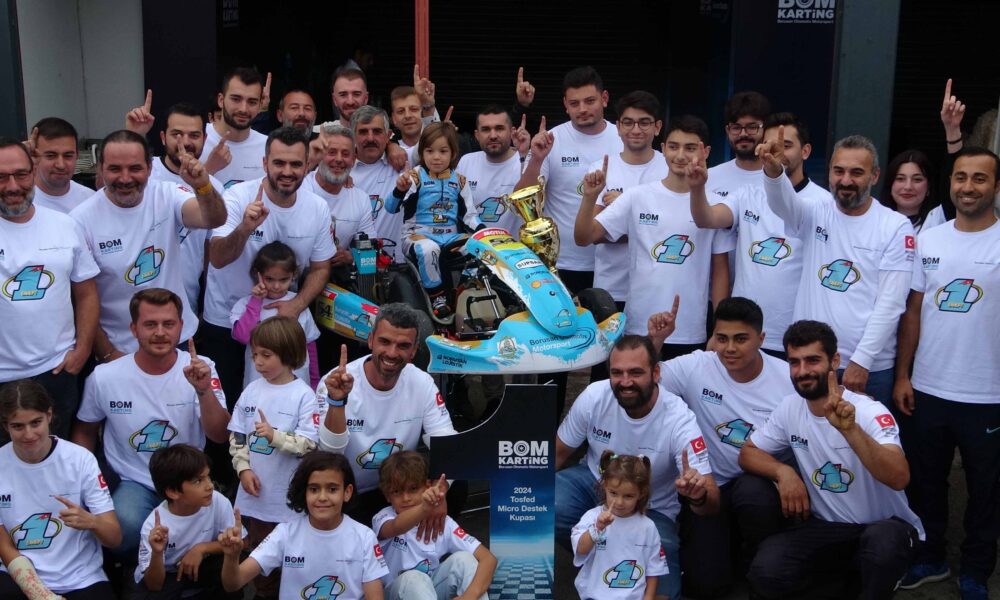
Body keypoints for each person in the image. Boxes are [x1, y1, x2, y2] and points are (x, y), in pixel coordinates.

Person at [739, 320, 922, 599]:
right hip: (827, 528)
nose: (802, 371)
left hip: (884, 526)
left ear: (834, 361)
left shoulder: (869, 411)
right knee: (767, 569)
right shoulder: (790, 408)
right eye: (794, 362)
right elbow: (748, 453)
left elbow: (899, 477)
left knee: (882, 546)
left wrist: (850, 429)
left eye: (813, 360)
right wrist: (784, 473)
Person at [894, 147, 1000, 600]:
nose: (968, 187)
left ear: (996, 187)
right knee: (926, 482)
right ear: (950, 183)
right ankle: (930, 557)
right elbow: (912, 313)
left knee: (986, 490)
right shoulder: (930, 240)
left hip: (988, 395)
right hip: (929, 388)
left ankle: (976, 569)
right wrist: (903, 375)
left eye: (979, 178)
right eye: (961, 177)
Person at [647, 297, 793, 598]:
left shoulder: (786, 379)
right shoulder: (699, 365)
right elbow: (645, 377)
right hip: (710, 487)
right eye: (722, 338)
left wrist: (787, 474)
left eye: (741, 339)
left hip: (761, 488)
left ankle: (758, 559)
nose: (729, 348)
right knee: (705, 584)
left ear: (761, 338)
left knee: (753, 496)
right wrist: (656, 340)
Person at [555, 334, 720, 600]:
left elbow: (711, 500)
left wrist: (697, 494)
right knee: (548, 502)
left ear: (656, 373)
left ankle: (616, 555)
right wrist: (522, 501)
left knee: (663, 595)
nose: (625, 382)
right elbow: (557, 454)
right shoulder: (595, 396)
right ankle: (599, 557)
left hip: (651, 508)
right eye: (617, 373)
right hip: (595, 483)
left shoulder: (679, 419)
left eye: (635, 372)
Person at [758, 129, 914, 407]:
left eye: (857, 173)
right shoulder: (815, 212)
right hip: (812, 361)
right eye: (838, 171)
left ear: (874, 176)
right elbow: (782, 203)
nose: (845, 180)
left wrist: (861, 361)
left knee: (861, 437)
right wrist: (773, 172)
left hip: (866, 369)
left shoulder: (895, 226)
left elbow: (891, 303)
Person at [72, 288, 230, 561]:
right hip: (133, 481)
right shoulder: (104, 377)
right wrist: (86, 484)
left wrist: (204, 390)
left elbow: (219, 435)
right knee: (123, 529)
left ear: (181, 326)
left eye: (168, 324)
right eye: (150, 324)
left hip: (189, 479)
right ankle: (132, 571)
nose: (160, 332)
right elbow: (85, 431)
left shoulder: (201, 367)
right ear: (133, 328)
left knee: (216, 534)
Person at [575, 115, 734, 359]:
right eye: (673, 146)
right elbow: (584, 237)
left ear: (706, 152)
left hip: (690, 328)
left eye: (690, 148)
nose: (680, 155)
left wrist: (719, 327)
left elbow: (720, 271)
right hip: (639, 322)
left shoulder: (715, 205)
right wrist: (589, 198)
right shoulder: (637, 196)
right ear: (663, 148)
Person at [201, 126, 334, 411]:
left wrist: (296, 305)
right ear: (265, 163)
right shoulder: (237, 197)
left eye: (295, 164)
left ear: (307, 166)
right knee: (227, 409)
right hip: (227, 322)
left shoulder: (317, 207)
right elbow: (217, 258)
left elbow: (321, 267)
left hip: (280, 328)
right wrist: (245, 228)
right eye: (279, 163)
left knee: (276, 411)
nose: (287, 171)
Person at [70, 129, 227, 360]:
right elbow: (82, 299)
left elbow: (213, 219)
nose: (125, 178)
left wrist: (203, 186)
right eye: (115, 169)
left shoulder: (167, 194)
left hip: (177, 340)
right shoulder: (80, 220)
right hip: (120, 349)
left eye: (135, 168)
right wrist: (108, 353)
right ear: (101, 169)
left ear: (150, 168)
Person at [688, 113, 822, 359]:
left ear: (806, 151)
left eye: (786, 145)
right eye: (769, 145)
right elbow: (706, 219)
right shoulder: (747, 194)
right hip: (744, 332)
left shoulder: (823, 203)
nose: (775, 152)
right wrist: (697, 189)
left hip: (794, 335)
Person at [318, 303, 457, 526]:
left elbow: (448, 443)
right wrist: (337, 402)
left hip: (399, 491)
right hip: (351, 493)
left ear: (414, 351)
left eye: (403, 346)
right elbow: (328, 454)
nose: (392, 353)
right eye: (385, 342)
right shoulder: (335, 381)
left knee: (456, 484)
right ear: (371, 340)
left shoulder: (422, 382)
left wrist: (439, 492)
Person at [0, 138, 99, 440]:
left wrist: (82, 350)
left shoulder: (65, 225)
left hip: (56, 372)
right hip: (2, 378)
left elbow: (86, 293)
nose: (12, 186)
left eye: (20, 174)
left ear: (33, 172)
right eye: (1, 177)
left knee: (58, 455)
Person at [0, 379, 121, 600]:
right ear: (5, 425)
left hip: (81, 578)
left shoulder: (81, 459)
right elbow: (3, 544)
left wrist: (92, 522)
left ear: (49, 415)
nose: (29, 434)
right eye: (18, 426)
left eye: (35, 422)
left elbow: (114, 538)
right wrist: (42, 595)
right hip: (17, 575)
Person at [227, 315, 320, 599]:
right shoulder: (251, 390)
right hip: (257, 501)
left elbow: (309, 444)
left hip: (290, 501)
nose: (258, 362)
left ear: (289, 354)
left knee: (295, 560)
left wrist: (275, 437)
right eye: (255, 355)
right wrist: (243, 469)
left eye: (266, 355)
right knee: (261, 560)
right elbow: (237, 436)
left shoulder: (304, 395)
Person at [218, 451, 389, 599]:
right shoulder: (285, 533)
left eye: (332, 489)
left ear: (347, 492)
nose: (322, 497)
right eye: (314, 489)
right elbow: (233, 583)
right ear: (304, 492)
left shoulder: (364, 537)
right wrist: (231, 557)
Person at [516, 66, 623, 294]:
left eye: (590, 101)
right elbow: (522, 202)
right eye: (574, 103)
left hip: (614, 265)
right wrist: (536, 160)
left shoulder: (624, 139)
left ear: (604, 99)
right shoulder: (550, 140)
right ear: (565, 104)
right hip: (560, 263)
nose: (582, 109)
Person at [125, 99, 227, 316]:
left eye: (194, 135)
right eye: (177, 134)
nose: (185, 142)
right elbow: (103, 187)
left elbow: (209, 253)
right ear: (163, 137)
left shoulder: (213, 188)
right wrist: (133, 135)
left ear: (205, 139)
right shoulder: (142, 172)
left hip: (186, 304)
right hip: (133, 300)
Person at [585, 91, 668, 316]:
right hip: (610, 290)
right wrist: (651, 222)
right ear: (619, 127)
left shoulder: (669, 168)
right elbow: (594, 234)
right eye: (629, 122)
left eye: (644, 122)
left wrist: (621, 209)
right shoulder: (600, 168)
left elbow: (675, 230)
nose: (636, 130)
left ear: (657, 127)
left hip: (657, 288)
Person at [374, 451, 497, 600]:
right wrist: (425, 508)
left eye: (413, 489)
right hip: (392, 593)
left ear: (427, 486)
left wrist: (470, 595)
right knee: (413, 578)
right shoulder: (384, 517)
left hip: (430, 592)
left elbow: (488, 559)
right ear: (387, 496)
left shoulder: (442, 522)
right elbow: (395, 526)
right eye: (396, 491)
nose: (406, 498)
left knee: (464, 559)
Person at [388, 122, 482, 317]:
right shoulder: (414, 177)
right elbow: (391, 208)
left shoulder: (460, 181)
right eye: (430, 151)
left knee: (480, 247)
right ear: (422, 152)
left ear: (453, 153)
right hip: (417, 237)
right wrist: (399, 190)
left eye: (443, 151)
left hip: (450, 237)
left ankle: (464, 287)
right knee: (429, 249)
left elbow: (470, 216)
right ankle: (437, 297)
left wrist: (483, 231)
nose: (436, 157)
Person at [134, 444, 240, 598]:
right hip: (170, 575)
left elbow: (241, 543)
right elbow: (154, 584)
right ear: (173, 492)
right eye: (198, 481)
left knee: (235, 563)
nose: (210, 486)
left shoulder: (217, 501)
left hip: (202, 565)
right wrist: (157, 552)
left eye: (208, 477)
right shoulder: (154, 526)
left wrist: (201, 549)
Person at [572, 451, 669, 600]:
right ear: (604, 486)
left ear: (641, 494)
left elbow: (654, 569)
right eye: (613, 493)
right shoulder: (592, 517)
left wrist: (648, 597)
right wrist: (597, 528)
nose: (619, 502)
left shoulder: (648, 527)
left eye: (628, 496)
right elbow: (581, 550)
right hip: (594, 596)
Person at [231, 242, 321, 388]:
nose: (276, 286)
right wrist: (256, 302)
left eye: (283, 279)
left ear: (293, 275)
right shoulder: (245, 304)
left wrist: (315, 383)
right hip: (259, 385)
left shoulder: (299, 303)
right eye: (269, 279)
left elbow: (309, 344)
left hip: (297, 386)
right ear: (257, 274)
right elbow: (243, 336)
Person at [455, 105, 530, 236]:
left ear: (512, 132)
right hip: (474, 247)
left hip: (516, 247)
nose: (493, 135)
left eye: (499, 128)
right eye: (486, 129)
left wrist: (524, 155)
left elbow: (530, 205)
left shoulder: (527, 160)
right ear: (477, 135)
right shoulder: (466, 161)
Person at [350, 105, 407, 262]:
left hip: (398, 266)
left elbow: (434, 147)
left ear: (388, 135)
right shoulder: (339, 170)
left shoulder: (405, 161)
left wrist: (428, 110)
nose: (370, 138)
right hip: (351, 265)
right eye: (363, 132)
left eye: (377, 131)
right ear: (352, 136)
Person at [201, 67, 267, 189]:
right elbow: (174, 196)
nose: (243, 109)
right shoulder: (196, 139)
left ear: (260, 106)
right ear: (221, 100)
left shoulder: (269, 147)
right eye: (236, 99)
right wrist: (208, 169)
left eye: (252, 102)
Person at [706, 91, 771, 201]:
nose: (743, 134)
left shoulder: (779, 178)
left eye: (752, 127)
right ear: (727, 131)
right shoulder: (709, 177)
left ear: (765, 129)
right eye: (736, 128)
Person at [26, 117, 93, 214]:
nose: (61, 165)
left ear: (77, 155)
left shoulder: (90, 200)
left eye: (68, 156)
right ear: (33, 155)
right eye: (51, 156)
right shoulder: (18, 201)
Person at [879, 149, 946, 233]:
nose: (908, 187)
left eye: (917, 179)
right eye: (900, 179)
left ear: (929, 186)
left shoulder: (939, 221)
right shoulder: (876, 222)